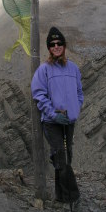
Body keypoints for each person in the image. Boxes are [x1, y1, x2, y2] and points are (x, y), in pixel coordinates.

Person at [31, 26, 84, 202]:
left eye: (59, 43)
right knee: (60, 155)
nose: (56, 46)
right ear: (49, 48)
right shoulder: (44, 70)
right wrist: (53, 114)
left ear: (64, 45)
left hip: (69, 120)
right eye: (52, 44)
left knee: (66, 155)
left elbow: (79, 93)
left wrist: (76, 108)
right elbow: (39, 94)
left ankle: (60, 196)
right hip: (52, 122)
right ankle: (72, 197)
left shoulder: (74, 69)